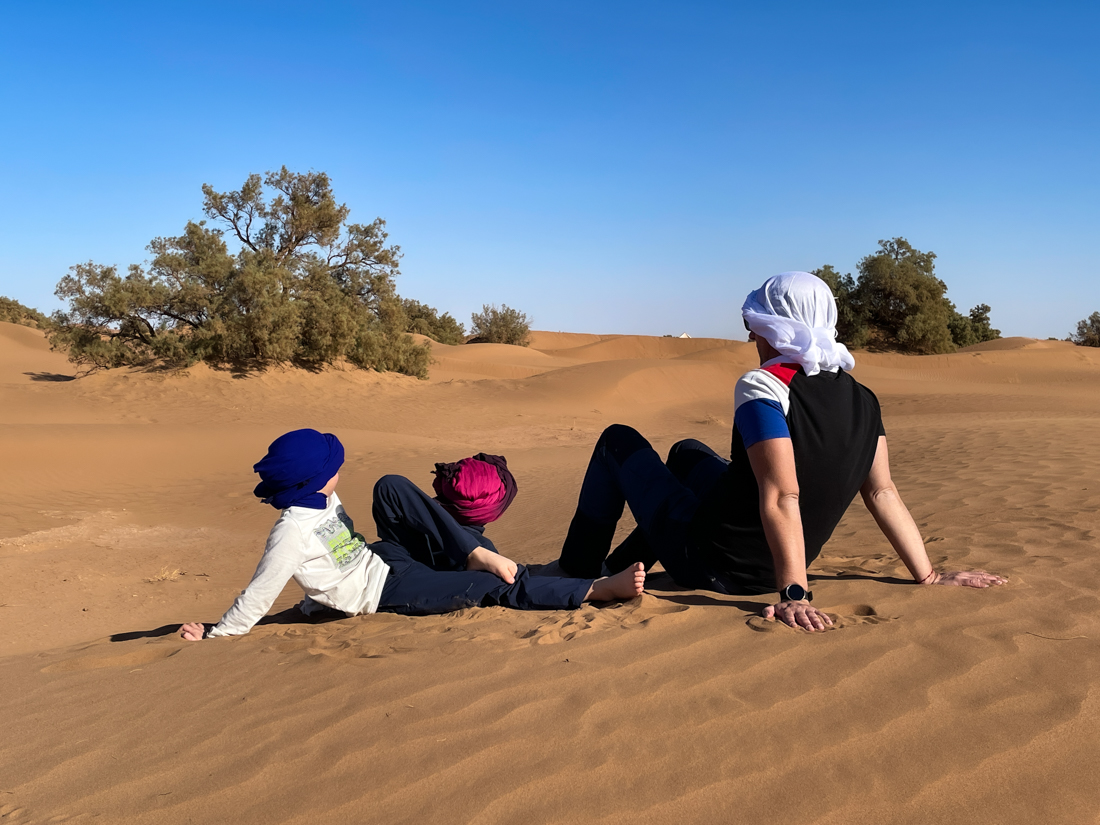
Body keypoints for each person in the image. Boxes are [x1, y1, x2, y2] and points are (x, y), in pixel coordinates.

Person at [553, 271, 1005, 632]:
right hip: (779, 558)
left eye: (754, 325)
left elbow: (782, 496)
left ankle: (576, 568)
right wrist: (927, 575)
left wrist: (794, 596)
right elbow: (882, 492)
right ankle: (621, 567)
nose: (753, 338)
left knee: (617, 439)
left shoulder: (763, 387)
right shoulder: (864, 397)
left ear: (772, 329)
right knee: (687, 453)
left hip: (716, 567)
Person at [178, 431, 644, 641]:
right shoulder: (289, 534)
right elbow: (262, 590)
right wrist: (219, 633)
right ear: (316, 479)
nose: (339, 466)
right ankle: (596, 589)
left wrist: (316, 598)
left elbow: (328, 560)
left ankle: (473, 551)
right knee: (493, 587)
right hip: (385, 589)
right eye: (332, 465)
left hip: (383, 558)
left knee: (391, 487)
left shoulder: (319, 501)